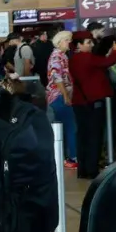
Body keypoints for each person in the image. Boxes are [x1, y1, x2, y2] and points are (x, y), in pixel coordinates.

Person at [67, 31, 116, 180]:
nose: (92, 45)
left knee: (83, 135)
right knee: (94, 135)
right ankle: (91, 169)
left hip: (79, 101)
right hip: (92, 100)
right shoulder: (86, 58)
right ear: (79, 44)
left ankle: (83, 169)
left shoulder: (73, 59)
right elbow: (106, 62)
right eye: (88, 42)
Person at [45, 31, 77, 166]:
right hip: (59, 96)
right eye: (67, 40)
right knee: (71, 127)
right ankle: (73, 157)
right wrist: (65, 96)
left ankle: (64, 156)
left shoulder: (61, 56)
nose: (69, 43)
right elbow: (57, 78)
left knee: (63, 127)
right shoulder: (57, 57)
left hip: (58, 96)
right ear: (60, 41)